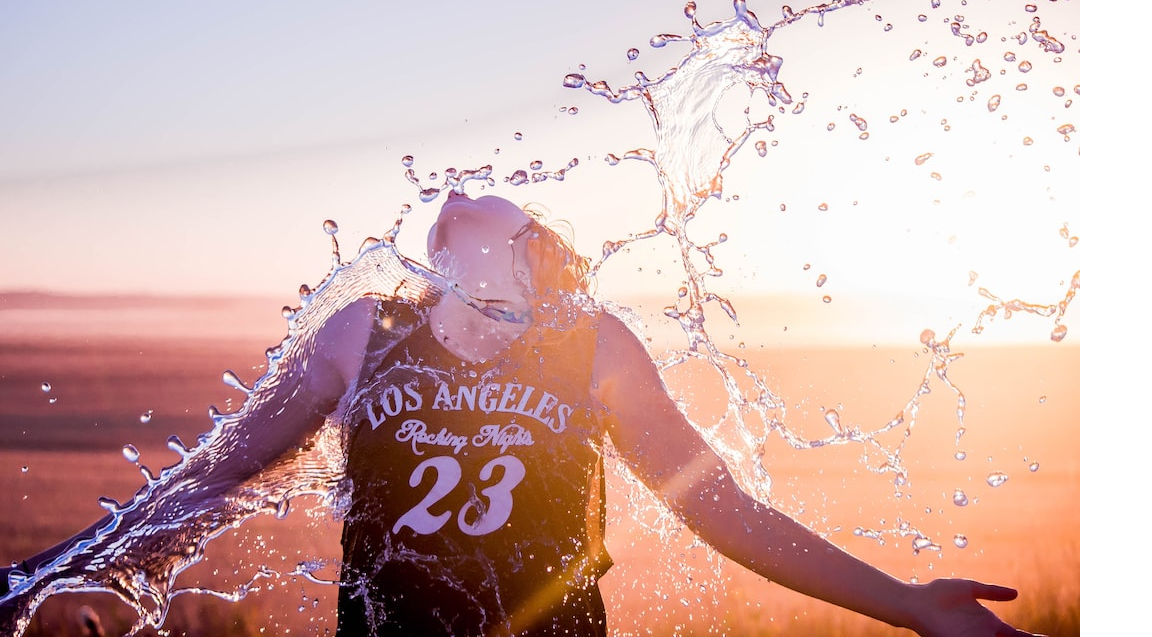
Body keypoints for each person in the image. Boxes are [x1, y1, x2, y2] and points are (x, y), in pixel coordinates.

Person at [3, 191, 1036, 637]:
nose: (474, 206)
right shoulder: (363, 331)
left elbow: (717, 506)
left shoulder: (591, 347)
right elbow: (211, 478)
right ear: (434, 250)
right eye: (457, 208)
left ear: (540, 251)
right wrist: (38, 576)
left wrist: (906, 603)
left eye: (507, 213)